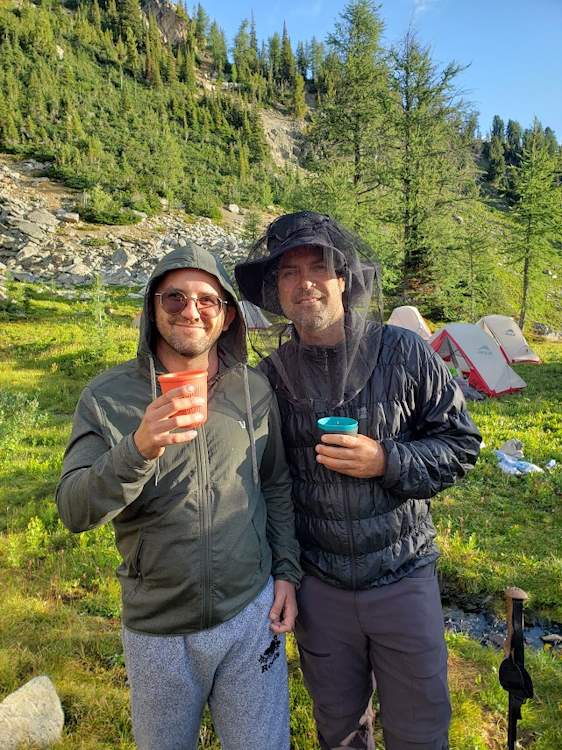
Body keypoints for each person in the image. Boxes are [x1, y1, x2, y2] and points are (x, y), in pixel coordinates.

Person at [235, 211, 482, 750]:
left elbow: (462, 445)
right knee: (341, 733)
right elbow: (263, 486)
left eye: (318, 267)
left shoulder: (404, 351)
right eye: (288, 272)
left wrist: (386, 460)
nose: (305, 283)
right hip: (320, 589)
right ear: (275, 291)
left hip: (403, 576)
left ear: (343, 278)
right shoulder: (269, 378)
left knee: (420, 731)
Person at [56, 240, 302, 750]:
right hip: (159, 629)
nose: (191, 311)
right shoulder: (106, 397)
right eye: (174, 298)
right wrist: (138, 447)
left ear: (227, 317)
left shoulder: (254, 390)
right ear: (152, 308)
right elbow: (75, 508)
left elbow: (275, 484)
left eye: (207, 300)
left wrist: (286, 573)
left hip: (250, 613)